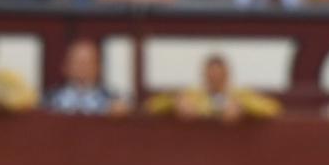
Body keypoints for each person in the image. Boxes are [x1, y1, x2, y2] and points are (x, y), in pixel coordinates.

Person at [146, 52, 282, 120]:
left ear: (227, 75)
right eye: (212, 75)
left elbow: (274, 109)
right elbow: (150, 107)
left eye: (219, 75)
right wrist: (175, 102)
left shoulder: (240, 95)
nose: (215, 79)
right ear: (204, 75)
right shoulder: (191, 95)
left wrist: (244, 107)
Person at [45, 39, 128, 115]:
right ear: (65, 66)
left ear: (99, 67)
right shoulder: (49, 99)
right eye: (77, 62)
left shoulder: (112, 100)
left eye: (88, 63)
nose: (82, 68)